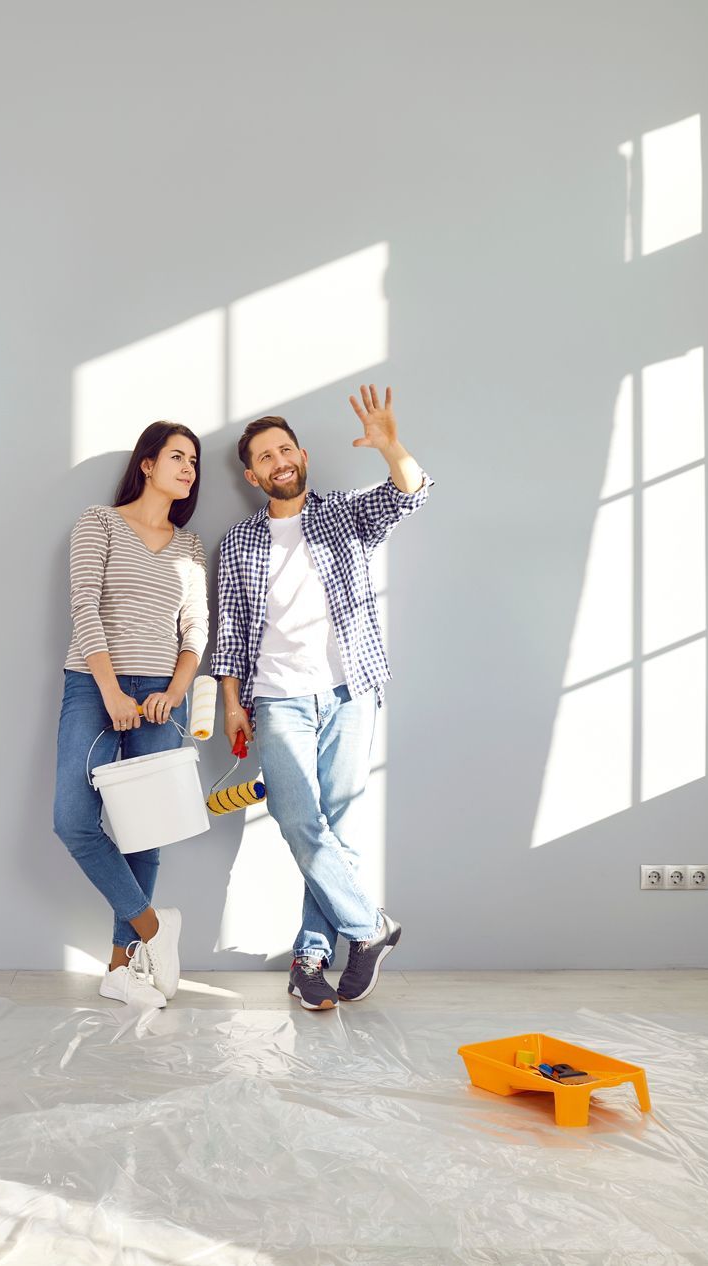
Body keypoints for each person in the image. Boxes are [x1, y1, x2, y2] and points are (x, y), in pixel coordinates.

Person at [212, 385, 431, 1010]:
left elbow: (407, 496)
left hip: (350, 691)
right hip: (278, 698)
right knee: (298, 819)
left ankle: (310, 959)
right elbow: (229, 631)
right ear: (254, 475)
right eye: (265, 456)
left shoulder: (341, 512)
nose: (279, 460)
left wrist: (392, 447)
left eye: (286, 448)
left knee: (340, 828)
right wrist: (232, 703)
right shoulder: (238, 543)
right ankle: (369, 928)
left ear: (302, 456)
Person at [55, 421, 208, 1009]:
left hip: (162, 695)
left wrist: (174, 691)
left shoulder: (190, 546)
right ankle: (153, 927)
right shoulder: (100, 522)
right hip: (93, 686)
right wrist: (112, 689)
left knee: (146, 831)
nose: (189, 468)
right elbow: (83, 606)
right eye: (177, 456)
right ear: (147, 463)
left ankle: (124, 968)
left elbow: (194, 627)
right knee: (73, 820)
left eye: (194, 460)